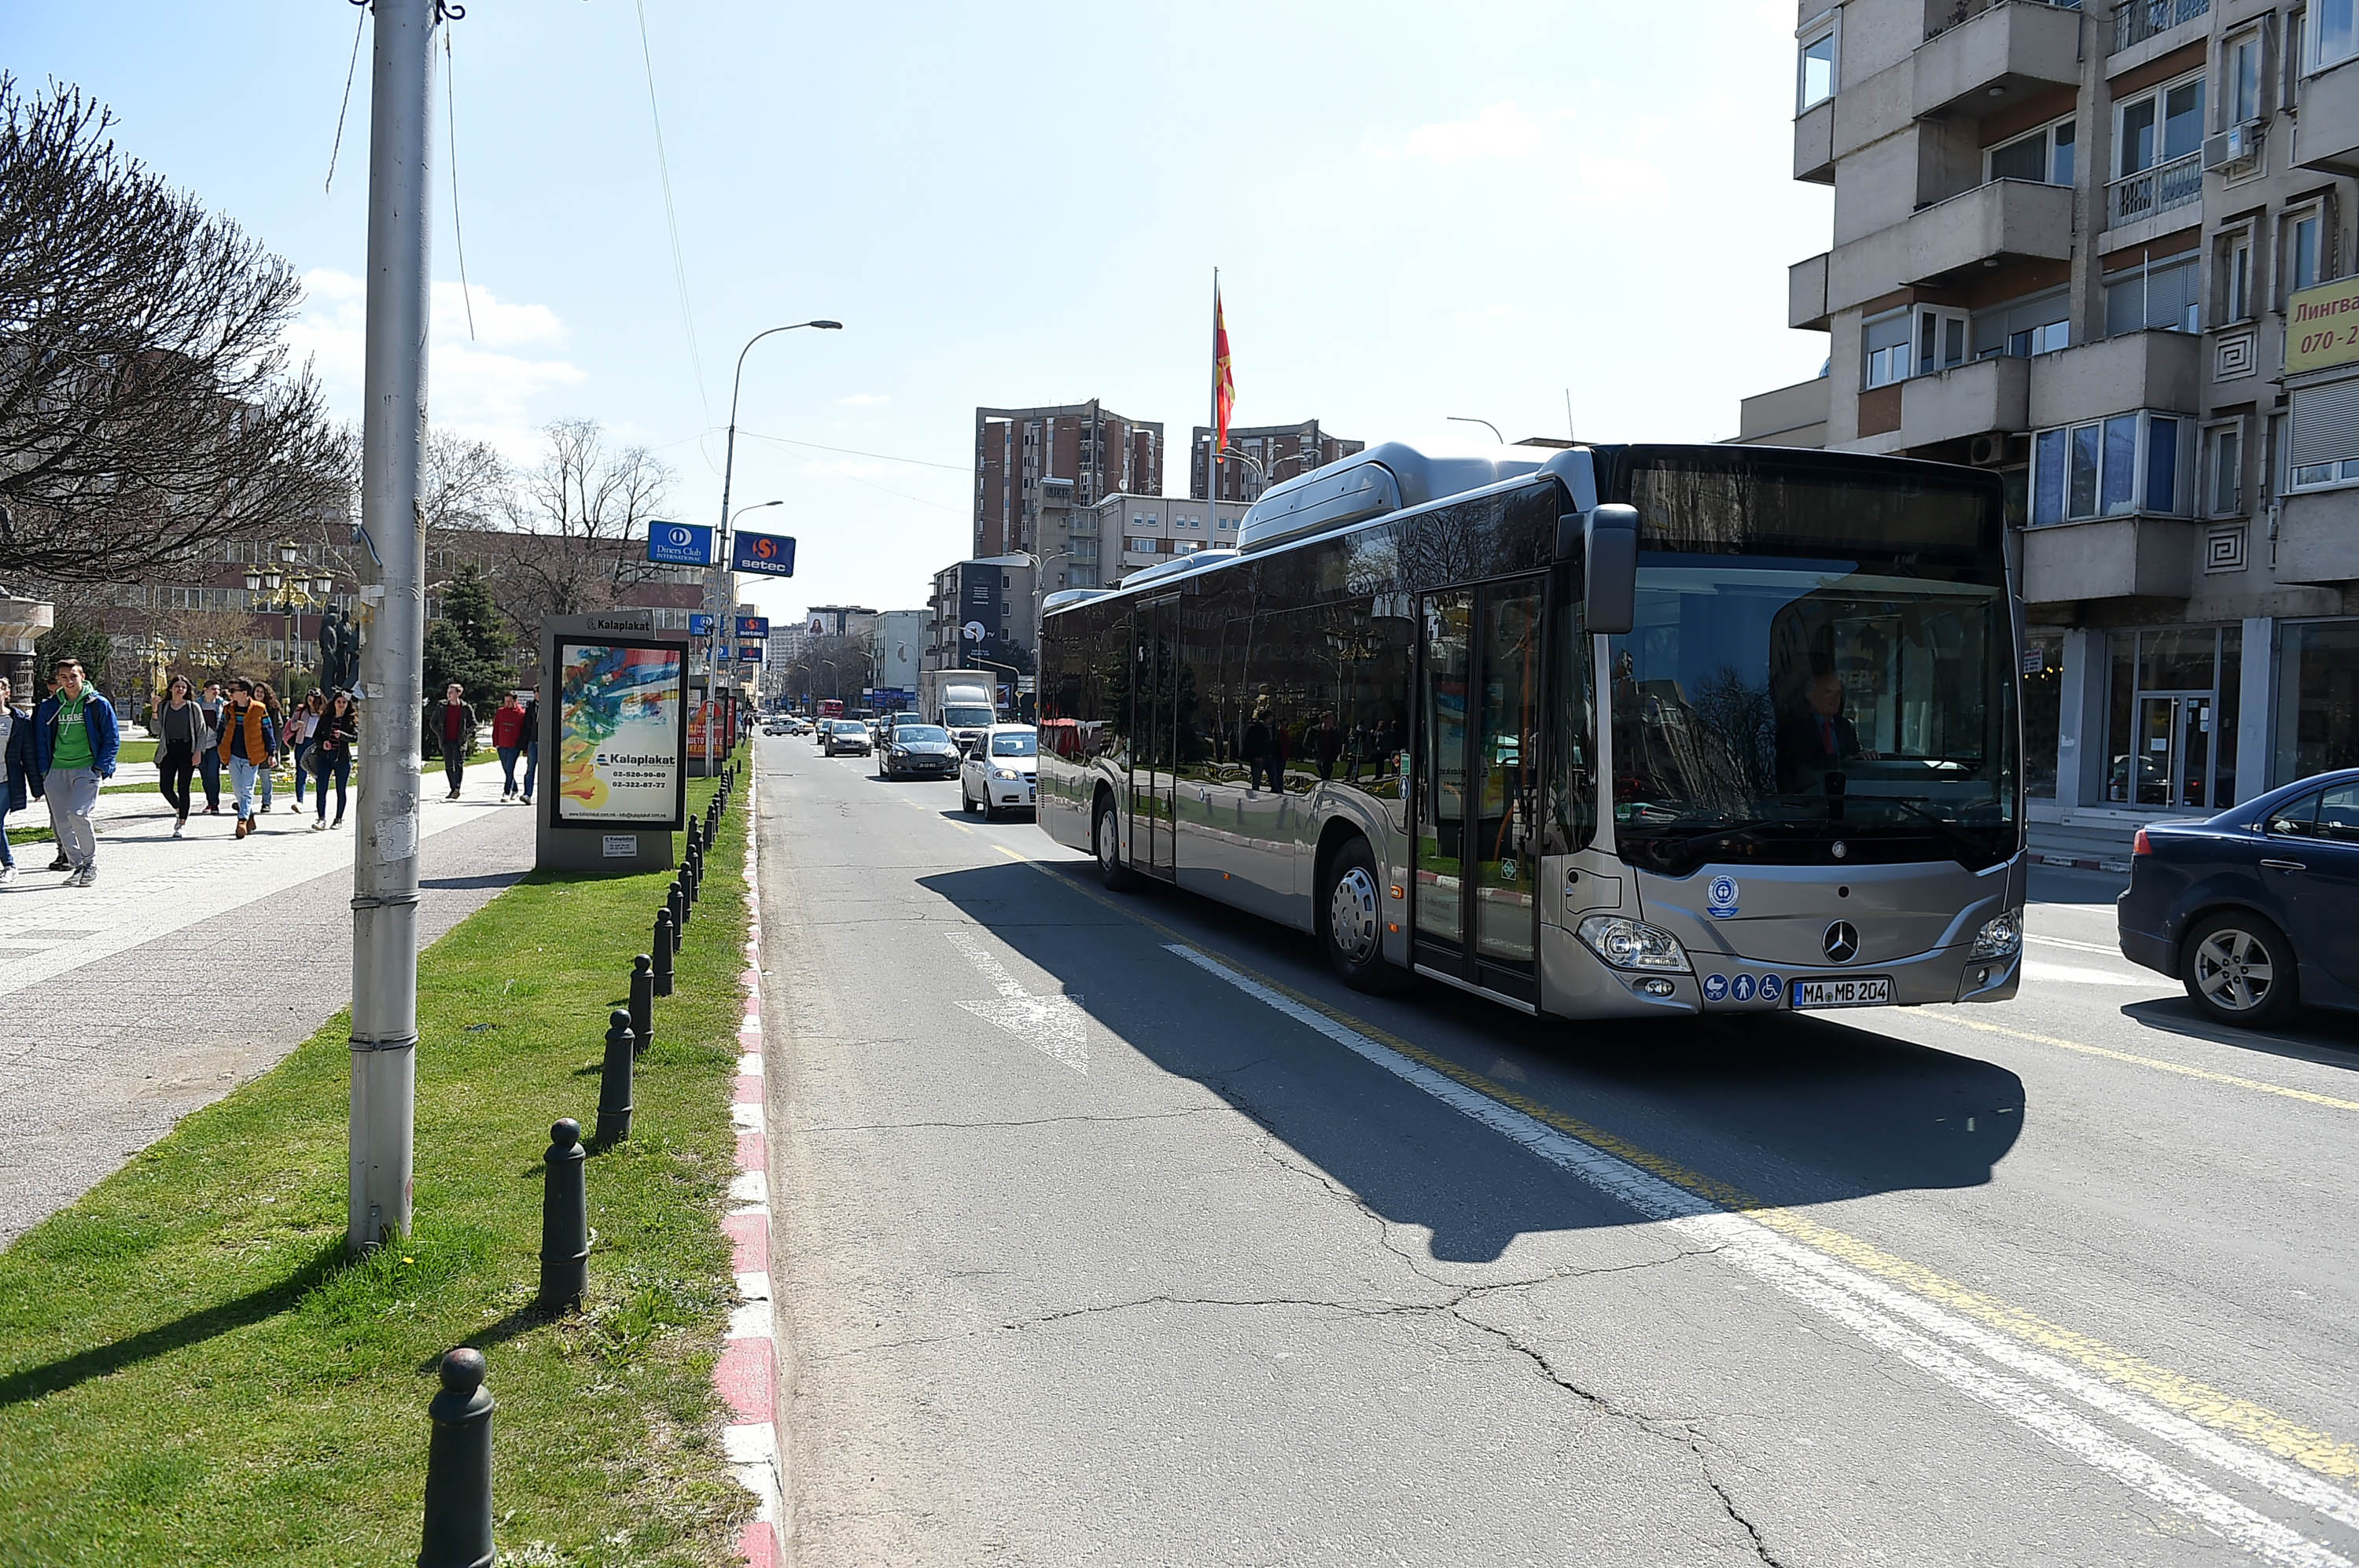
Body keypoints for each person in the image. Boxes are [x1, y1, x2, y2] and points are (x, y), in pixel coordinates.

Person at [32, 657, 120, 886]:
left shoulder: (97, 704)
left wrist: (100, 767)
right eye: (64, 677)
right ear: (59, 680)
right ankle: (77, 864)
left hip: (86, 768)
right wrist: (45, 771)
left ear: (83, 677)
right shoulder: (50, 706)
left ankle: (90, 862)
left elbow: (112, 738)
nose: (69, 681)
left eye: (73, 676)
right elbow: (41, 741)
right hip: (57, 769)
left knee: (78, 814)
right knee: (61, 822)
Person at [1776, 657, 1880, 793]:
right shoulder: (1794, 729)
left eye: (1838, 693)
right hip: (1807, 800)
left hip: (1845, 798)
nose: (1835, 698)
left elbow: (1855, 757)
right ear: (1810, 695)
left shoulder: (1846, 727)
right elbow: (1804, 768)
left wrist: (1864, 757)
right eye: (1828, 692)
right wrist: (1845, 761)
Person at [217, 677, 278, 839]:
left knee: (247, 789)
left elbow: (268, 731)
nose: (230, 694)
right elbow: (221, 729)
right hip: (233, 755)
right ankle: (249, 816)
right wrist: (220, 747)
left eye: (233, 691)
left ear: (244, 693)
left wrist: (272, 753)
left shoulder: (259, 709)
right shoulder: (229, 709)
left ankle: (242, 820)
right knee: (238, 790)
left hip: (252, 756)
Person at [153, 675, 212, 837]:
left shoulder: (193, 707)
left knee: (183, 787)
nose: (180, 689)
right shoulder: (164, 707)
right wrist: (154, 710)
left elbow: (202, 732)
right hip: (169, 750)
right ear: (171, 688)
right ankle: (179, 808)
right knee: (165, 787)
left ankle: (181, 823)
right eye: (177, 686)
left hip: (188, 750)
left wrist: (198, 752)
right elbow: (156, 730)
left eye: (184, 687)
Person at [0, 676, 35, 885]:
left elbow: (28, 754)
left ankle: (9, 865)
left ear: (6, 693)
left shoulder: (18, 721)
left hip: (5, 780)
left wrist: (37, 787)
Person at [310, 688, 357, 830]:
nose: (341, 704)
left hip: (342, 758)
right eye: (338, 702)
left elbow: (355, 737)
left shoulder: (350, 719)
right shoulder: (326, 718)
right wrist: (323, 743)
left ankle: (338, 819)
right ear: (334, 703)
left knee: (340, 790)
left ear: (347, 704)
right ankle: (321, 818)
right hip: (325, 757)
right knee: (321, 788)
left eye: (344, 702)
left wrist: (342, 735)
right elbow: (316, 736)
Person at [285, 690, 322, 810]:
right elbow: (291, 725)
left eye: (313, 701)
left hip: (316, 744)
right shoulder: (301, 710)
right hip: (302, 742)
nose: (310, 703)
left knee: (318, 773)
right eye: (309, 700)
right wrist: (297, 725)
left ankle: (320, 801)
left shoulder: (323, 712)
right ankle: (299, 801)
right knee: (301, 772)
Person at [196, 680, 226, 815]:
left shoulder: (222, 705)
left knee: (213, 774)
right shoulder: (197, 705)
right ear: (205, 690)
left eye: (218, 689)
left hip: (215, 745)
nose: (217, 692)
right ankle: (209, 801)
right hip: (200, 746)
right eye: (214, 689)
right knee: (205, 776)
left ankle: (214, 803)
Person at [491, 691, 528, 802]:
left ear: (515, 701)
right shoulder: (500, 712)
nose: (507, 704)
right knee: (507, 769)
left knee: (510, 768)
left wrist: (524, 748)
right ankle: (515, 789)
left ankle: (506, 792)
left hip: (514, 746)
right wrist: (495, 742)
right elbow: (496, 727)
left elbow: (524, 732)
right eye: (506, 701)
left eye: (510, 701)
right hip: (502, 745)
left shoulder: (521, 714)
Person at [436, 683, 471, 799]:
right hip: (446, 741)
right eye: (448, 692)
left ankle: (457, 788)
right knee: (448, 766)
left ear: (458, 693)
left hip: (459, 742)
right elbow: (433, 722)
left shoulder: (465, 707)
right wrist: (440, 733)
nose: (449, 694)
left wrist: (465, 734)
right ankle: (453, 788)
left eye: (451, 692)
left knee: (458, 764)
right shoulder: (442, 706)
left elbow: (473, 723)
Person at [518, 690, 539, 806]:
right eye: (535, 692)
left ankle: (546, 795)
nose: (536, 694)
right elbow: (526, 725)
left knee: (546, 771)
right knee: (530, 769)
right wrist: (524, 745)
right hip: (532, 741)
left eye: (538, 692)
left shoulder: (549, 704)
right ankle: (527, 794)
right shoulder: (531, 706)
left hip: (545, 742)